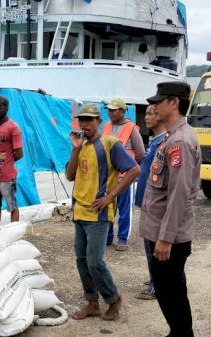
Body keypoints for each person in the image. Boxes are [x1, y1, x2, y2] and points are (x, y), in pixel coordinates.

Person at [65, 104, 140, 321]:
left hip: (98, 214)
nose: (85, 124)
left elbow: (134, 169)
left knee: (95, 262)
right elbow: (70, 176)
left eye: (90, 120)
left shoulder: (110, 144)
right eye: (82, 120)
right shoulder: (81, 146)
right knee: (81, 260)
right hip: (79, 211)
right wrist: (76, 148)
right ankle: (92, 303)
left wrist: (110, 196)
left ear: (99, 121)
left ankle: (114, 299)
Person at [140, 81, 200, 337]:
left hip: (168, 239)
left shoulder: (180, 142)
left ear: (174, 103)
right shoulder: (170, 138)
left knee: (170, 292)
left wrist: (165, 238)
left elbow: (179, 194)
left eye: (159, 101)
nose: (154, 106)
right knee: (169, 291)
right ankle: (179, 332)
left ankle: (182, 333)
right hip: (161, 234)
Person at [102, 98, 145, 251]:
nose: (110, 112)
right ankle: (107, 237)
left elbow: (140, 153)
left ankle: (122, 239)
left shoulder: (132, 128)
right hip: (108, 177)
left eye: (114, 110)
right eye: (109, 110)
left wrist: (130, 169)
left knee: (124, 210)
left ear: (122, 111)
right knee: (107, 208)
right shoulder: (106, 126)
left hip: (126, 177)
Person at [133, 104, 166, 301]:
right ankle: (155, 278)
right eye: (146, 113)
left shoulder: (163, 143)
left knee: (153, 244)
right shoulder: (155, 142)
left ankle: (157, 285)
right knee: (148, 242)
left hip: (154, 202)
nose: (147, 117)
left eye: (152, 113)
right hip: (146, 199)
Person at [0, 95, 23, 228]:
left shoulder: (13, 128)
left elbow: (19, 153)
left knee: (12, 207)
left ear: (6, 108)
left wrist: (5, 163)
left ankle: (14, 235)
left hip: (7, 177)